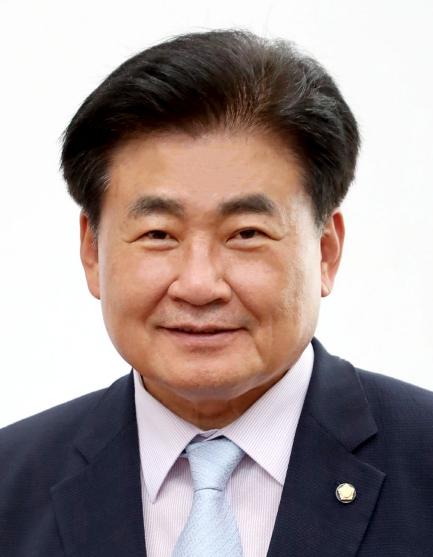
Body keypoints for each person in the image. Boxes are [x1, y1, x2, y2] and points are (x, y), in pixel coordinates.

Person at [0, 28, 432, 557]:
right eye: (159, 234)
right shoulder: (11, 484)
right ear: (92, 251)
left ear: (325, 251)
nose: (199, 285)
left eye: (245, 233)